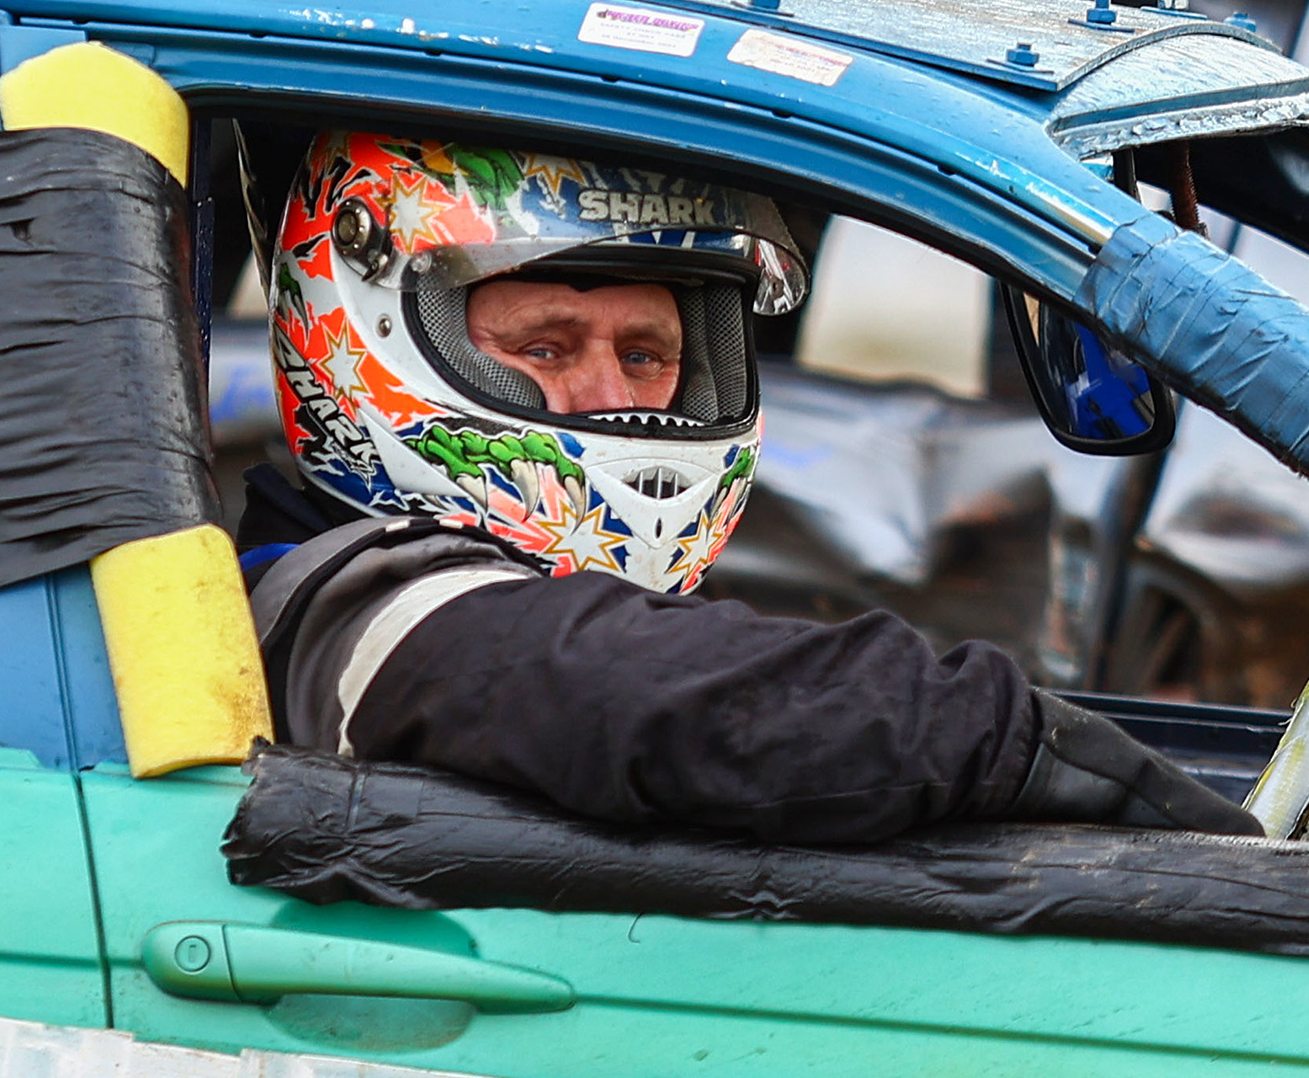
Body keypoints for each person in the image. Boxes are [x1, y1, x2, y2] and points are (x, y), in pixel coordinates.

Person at [237, 131, 1257, 846]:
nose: (609, 397)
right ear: (362, 332)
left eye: (648, 354)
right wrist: (1015, 742)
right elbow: (635, 695)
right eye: (544, 346)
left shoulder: (558, 612)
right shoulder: (329, 599)